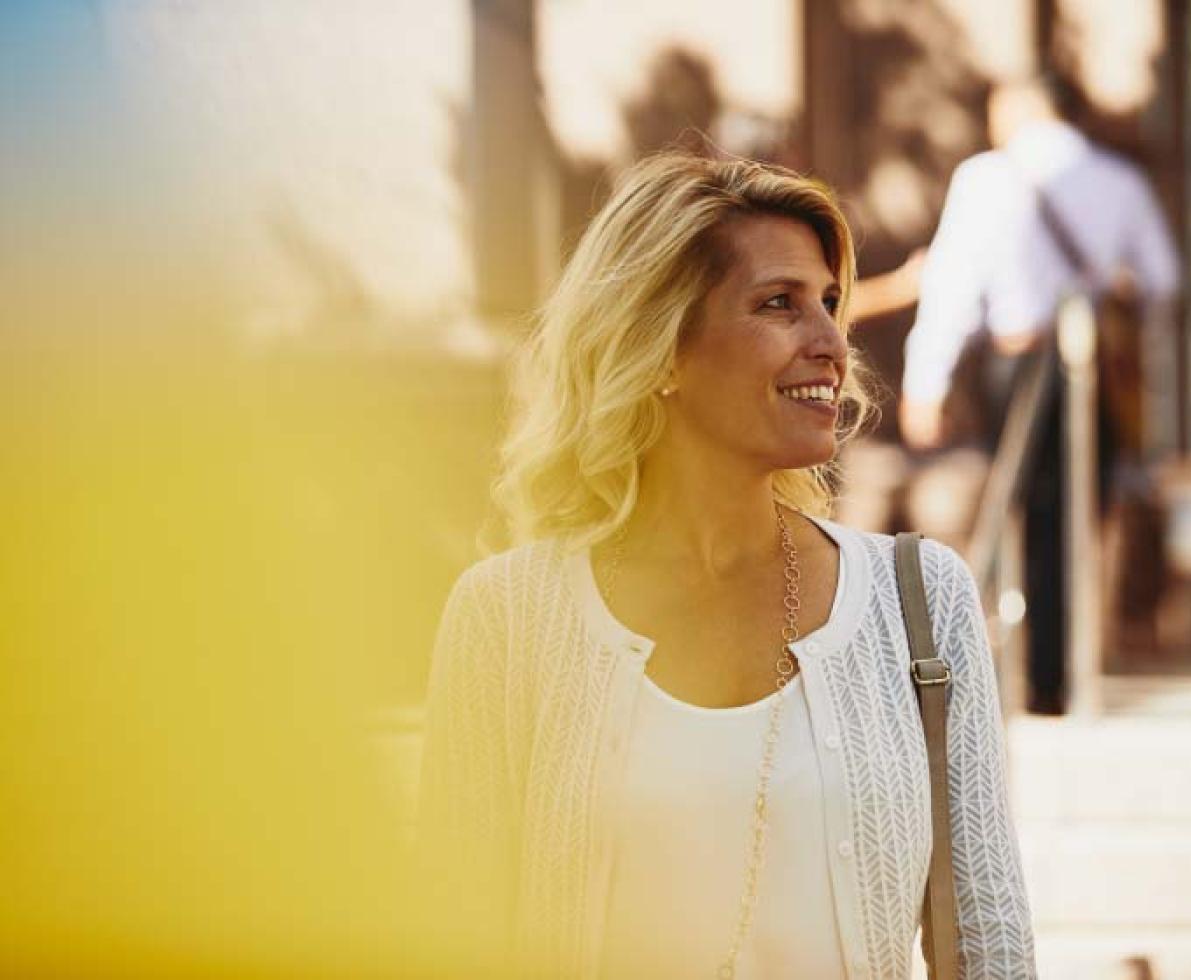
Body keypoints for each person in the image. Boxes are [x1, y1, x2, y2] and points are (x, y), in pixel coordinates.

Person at [415, 152, 1036, 978]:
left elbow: (991, 949)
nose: (830, 344)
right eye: (777, 305)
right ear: (660, 349)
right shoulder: (508, 615)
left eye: (828, 304)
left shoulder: (917, 600)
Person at [899, 73, 1180, 714]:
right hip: (1098, 364)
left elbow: (951, 289)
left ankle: (1033, 672)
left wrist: (925, 382)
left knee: (1026, 511)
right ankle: (1071, 662)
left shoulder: (987, 177)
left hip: (1021, 359)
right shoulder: (1119, 180)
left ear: (1023, 108)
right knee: (1085, 511)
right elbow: (1161, 278)